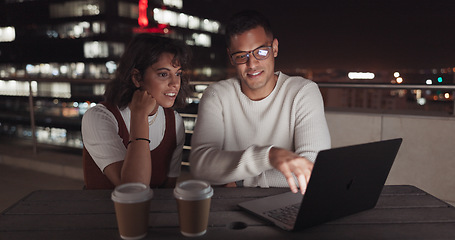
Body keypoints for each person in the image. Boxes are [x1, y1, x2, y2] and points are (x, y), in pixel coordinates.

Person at [189, 10, 331, 194]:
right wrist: (269, 156)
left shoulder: (303, 91)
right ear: (231, 57)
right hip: (229, 204)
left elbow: (313, 169)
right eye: (241, 56)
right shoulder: (217, 95)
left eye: (261, 52)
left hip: (286, 201)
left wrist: (242, 181)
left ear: (275, 48)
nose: (252, 64)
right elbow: (201, 165)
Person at [81, 34, 191, 189]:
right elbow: (133, 190)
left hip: (153, 212)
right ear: (137, 77)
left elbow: (168, 189)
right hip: (102, 212)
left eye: (178, 74)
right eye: (163, 74)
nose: (175, 83)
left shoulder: (174, 121)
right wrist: (139, 116)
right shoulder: (99, 117)